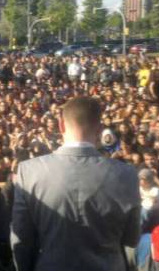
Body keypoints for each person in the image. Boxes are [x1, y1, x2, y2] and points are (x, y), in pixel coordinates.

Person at [11, 96, 141, 271]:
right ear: (100, 129)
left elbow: (20, 241)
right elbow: (131, 239)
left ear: (61, 125)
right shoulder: (127, 174)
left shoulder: (29, 171)